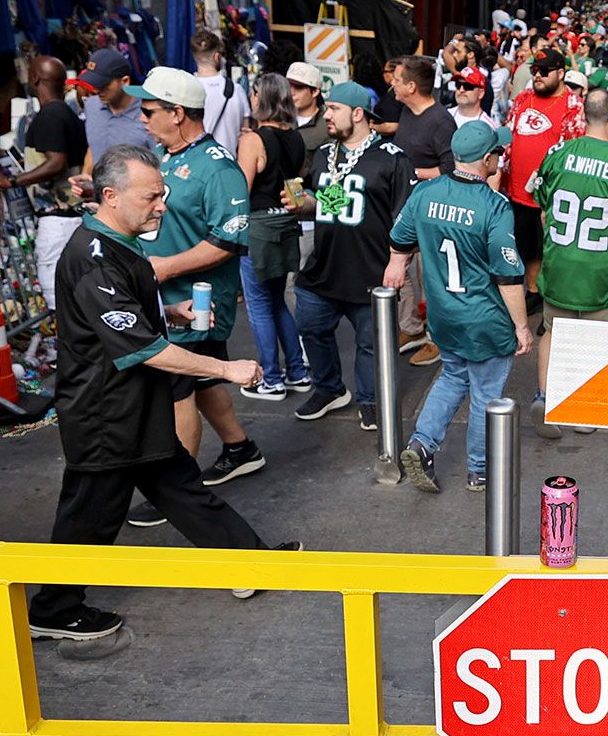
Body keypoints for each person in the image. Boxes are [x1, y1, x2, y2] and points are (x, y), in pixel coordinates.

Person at [27, 145, 278, 645]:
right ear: (111, 196)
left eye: (162, 194)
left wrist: (173, 311)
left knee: (179, 485)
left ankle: (250, 561)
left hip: (135, 407)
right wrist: (225, 368)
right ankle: (54, 608)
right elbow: (144, 349)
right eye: (152, 197)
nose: (162, 205)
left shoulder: (121, 242)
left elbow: (130, 318)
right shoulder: (94, 257)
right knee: (90, 515)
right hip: (106, 415)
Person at [126, 66, 264, 492]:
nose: (141, 119)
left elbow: (227, 242)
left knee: (177, 389)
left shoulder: (219, 169)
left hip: (194, 303)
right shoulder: (169, 156)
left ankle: (179, 490)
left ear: (179, 113)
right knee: (203, 378)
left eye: (149, 110)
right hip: (166, 297)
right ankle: (240, 449)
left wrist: (163, 268)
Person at [386, 121, 532, 492]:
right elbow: (507, 275)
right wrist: (521, 326)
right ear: (486, 159)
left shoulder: (426, 192)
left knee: (452, 376)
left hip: (443, 313)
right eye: (497, 152)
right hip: (485, 319)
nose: (499, 156)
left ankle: (422, 443)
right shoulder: (494, 206)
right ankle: (479, 470)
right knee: (486, 393)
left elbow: (399, 239)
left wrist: (396, 263)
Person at [292, 81, 412, 429]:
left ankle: (371, 399)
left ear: (358, 114)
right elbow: (335, 203)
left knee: (371, 345)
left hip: (370, 270)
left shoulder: (392, 158)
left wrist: (397, 261)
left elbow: (403, 217)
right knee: (311, 327)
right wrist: (304, 205)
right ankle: (329, 388)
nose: (325, 115)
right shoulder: (324, 154)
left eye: (333, 109)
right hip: (324, 266)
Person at [529, 88, 608, 438]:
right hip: (600, 270)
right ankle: (583, 408)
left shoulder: (557, 153)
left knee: (552, 331)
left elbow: (543, 206)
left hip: (560, 263)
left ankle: (546, 398)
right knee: (596, 339)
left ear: (583, 116)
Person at [0, 55, 91, 312]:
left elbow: (56, 162)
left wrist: (10, 181)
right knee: (74, 292)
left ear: (35, 79)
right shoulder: (65, 112)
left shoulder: (51, 115)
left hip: (58, 219)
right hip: (72, 217)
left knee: (56, 294)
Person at [234, 72, 311, 398]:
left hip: (258, 228)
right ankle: (296, 370)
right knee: (277, 300)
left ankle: (272, 378)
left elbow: (241, 190)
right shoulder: (295, 137)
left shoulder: (253, 139)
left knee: (259, 305)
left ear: (260, 97)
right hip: (285, 224)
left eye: (253, 93)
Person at [504, 46, 586, 296]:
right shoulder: (523, 98)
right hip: (517, 191)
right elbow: (509, 136)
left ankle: (547, 298)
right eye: (534, 70)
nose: (537, 75)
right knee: (526, 249)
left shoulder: (573, 104)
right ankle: (532, 293)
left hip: (550, 196)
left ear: (561, 73)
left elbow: (574, 152)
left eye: (544, 71)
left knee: (550, 251)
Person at [71, 47, 151, 168]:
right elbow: (94, 146)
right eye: (94, 84)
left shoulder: (148, 114)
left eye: (104, 85)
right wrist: (86, 176)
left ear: (125, 81)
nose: (97, 90)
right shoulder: (91, 106)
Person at [193, 29, 251, 153]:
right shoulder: (237, 90)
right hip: (229, 164)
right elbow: (246, 132)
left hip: (198, 165)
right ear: (217, 56)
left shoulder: (188, 89)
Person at [284, 60, 333, 159]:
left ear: (315, 92)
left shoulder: (328, 124)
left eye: (298, 87)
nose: (291, 92)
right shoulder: (278, 118)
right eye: (288, 86)